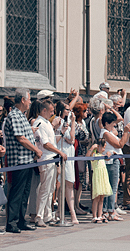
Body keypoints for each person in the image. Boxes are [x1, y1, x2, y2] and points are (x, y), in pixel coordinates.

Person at [4, 89, 43, 233]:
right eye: (28, 99)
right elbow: (20, 138)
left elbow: (24, 135)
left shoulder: (21, 115)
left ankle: (21, 219)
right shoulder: (14, 115)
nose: (30, 102)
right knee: (17, 192)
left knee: (25, 192)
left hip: (27, 160)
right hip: (19, 160)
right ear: (22, 100)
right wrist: (36, 150)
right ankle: (11, 222)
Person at [30, 99, 65, 227]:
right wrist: (59, 152)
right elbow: (45, 144)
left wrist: (61, 132)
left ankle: (47, 215)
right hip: (45, 158)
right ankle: (39, 215)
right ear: (44, 110)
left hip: (51, 158)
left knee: (50, 189)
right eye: (50, 111)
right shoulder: (40, 123)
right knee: (45, 189)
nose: (52, 114)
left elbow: (51, 141)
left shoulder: (46, 123)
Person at [53, 93, 80, 225]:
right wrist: (62, 131)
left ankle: (60, 212)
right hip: (60, 153)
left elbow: (72, 139)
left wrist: (73, 122)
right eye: (67, 110)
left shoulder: (67, 121)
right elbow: (54, 140)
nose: (69, 112)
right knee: (62, 184)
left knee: (68, 183)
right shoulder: (57, 121)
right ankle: (70, 213)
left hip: (69, 154)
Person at [88, 139, 111, 223]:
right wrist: (92, 148)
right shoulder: (94, 154)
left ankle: (99, 214)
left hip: (103, 176)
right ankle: (94, 216)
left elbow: (107, 158)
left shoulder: (102, 155)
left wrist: (109, 154)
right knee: (96, 197)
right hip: (97, 177)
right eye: (103, 147)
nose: (104, 149)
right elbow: (88, 157)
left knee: (102, 197)